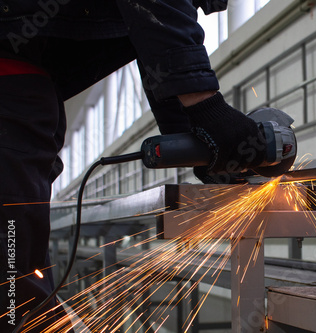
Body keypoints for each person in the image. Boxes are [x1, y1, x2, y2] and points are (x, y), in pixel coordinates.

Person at [0, 1, 265, 331]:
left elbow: (153, 38)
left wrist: (200, 140)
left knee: (20, 255)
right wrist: (207, 107)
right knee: (11, 274)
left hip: (27, 84)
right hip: (11, 83)